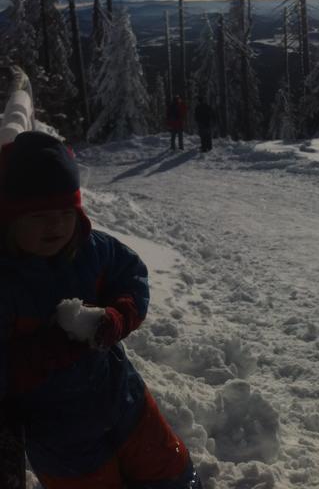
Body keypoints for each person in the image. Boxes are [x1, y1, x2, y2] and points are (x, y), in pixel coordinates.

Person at [0, 131, 202, 488]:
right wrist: (38, 356)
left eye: (66, 211)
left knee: (170, 473)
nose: (56, 225)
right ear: (9, 219)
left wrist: (119, 316)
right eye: (39, 215)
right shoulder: (8, 282)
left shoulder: (90, 249)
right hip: (62, 439)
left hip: (126, 402)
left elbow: (132, 275)